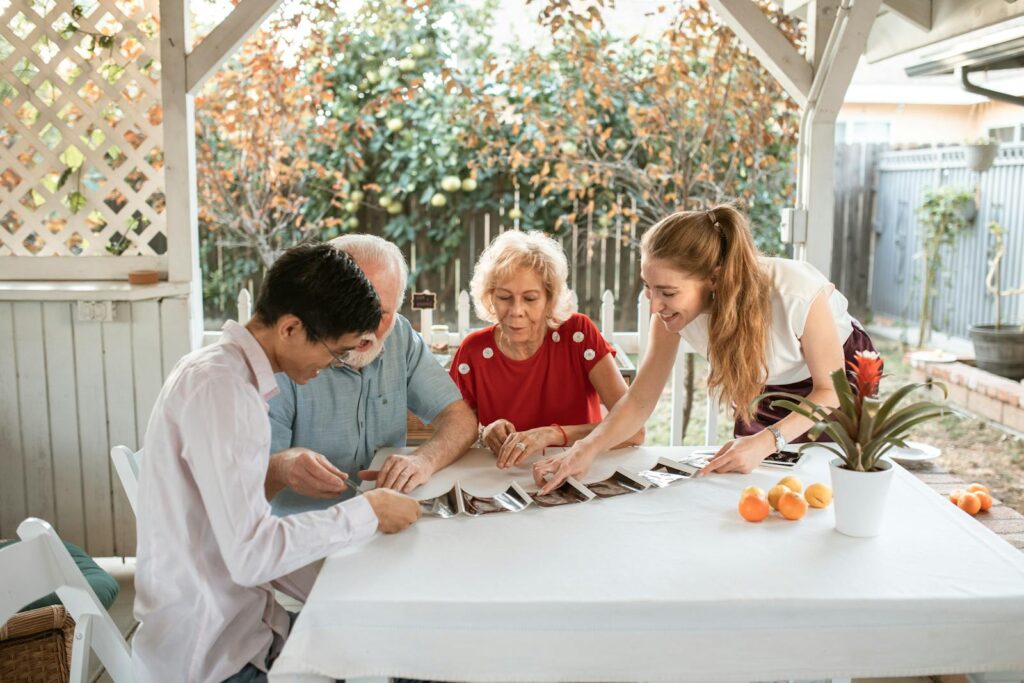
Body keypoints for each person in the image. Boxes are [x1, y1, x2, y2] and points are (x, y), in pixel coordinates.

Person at [133, 243, 422, 683]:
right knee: (402, 663)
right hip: (215, 658)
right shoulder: (223, 392)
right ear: (289, 328)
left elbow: (232, 525)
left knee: (388, 642)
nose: (333, 365)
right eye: (335, 350)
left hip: (250, 628)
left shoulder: (221, 375)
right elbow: (251, 555)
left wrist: (347, 590)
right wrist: (367, 512)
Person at [532, 204, 877, 493]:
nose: (655, 305)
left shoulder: (796, 292)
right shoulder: (672, 317)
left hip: (837, 382)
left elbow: (829, 391)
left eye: (667, 292)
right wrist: (585, 450)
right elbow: (639, 401)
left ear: (714, 279)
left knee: (831, 484)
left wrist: (767, 440)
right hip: (768, 385)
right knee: (749, 481)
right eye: (649, 288)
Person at [266, 234, 478, 514]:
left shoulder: (399, 336)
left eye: (380, 312)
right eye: (353, 310)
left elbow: (461, 421)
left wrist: (423, 460)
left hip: (385, 522)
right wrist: (284, 465)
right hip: (304, 534)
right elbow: (246, 479)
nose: (365, 327)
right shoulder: (291, 352)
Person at [450, 230, 643, 468]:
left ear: (549, 299)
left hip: (579, 473)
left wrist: (554, 435)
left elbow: (634, 432)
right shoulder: (474, 352)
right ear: (489, 296)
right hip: (504, 478)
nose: (516, 310)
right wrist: (485, 433)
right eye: (504, 297)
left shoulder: (578, 334)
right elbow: (451, 435)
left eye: (530, 298)